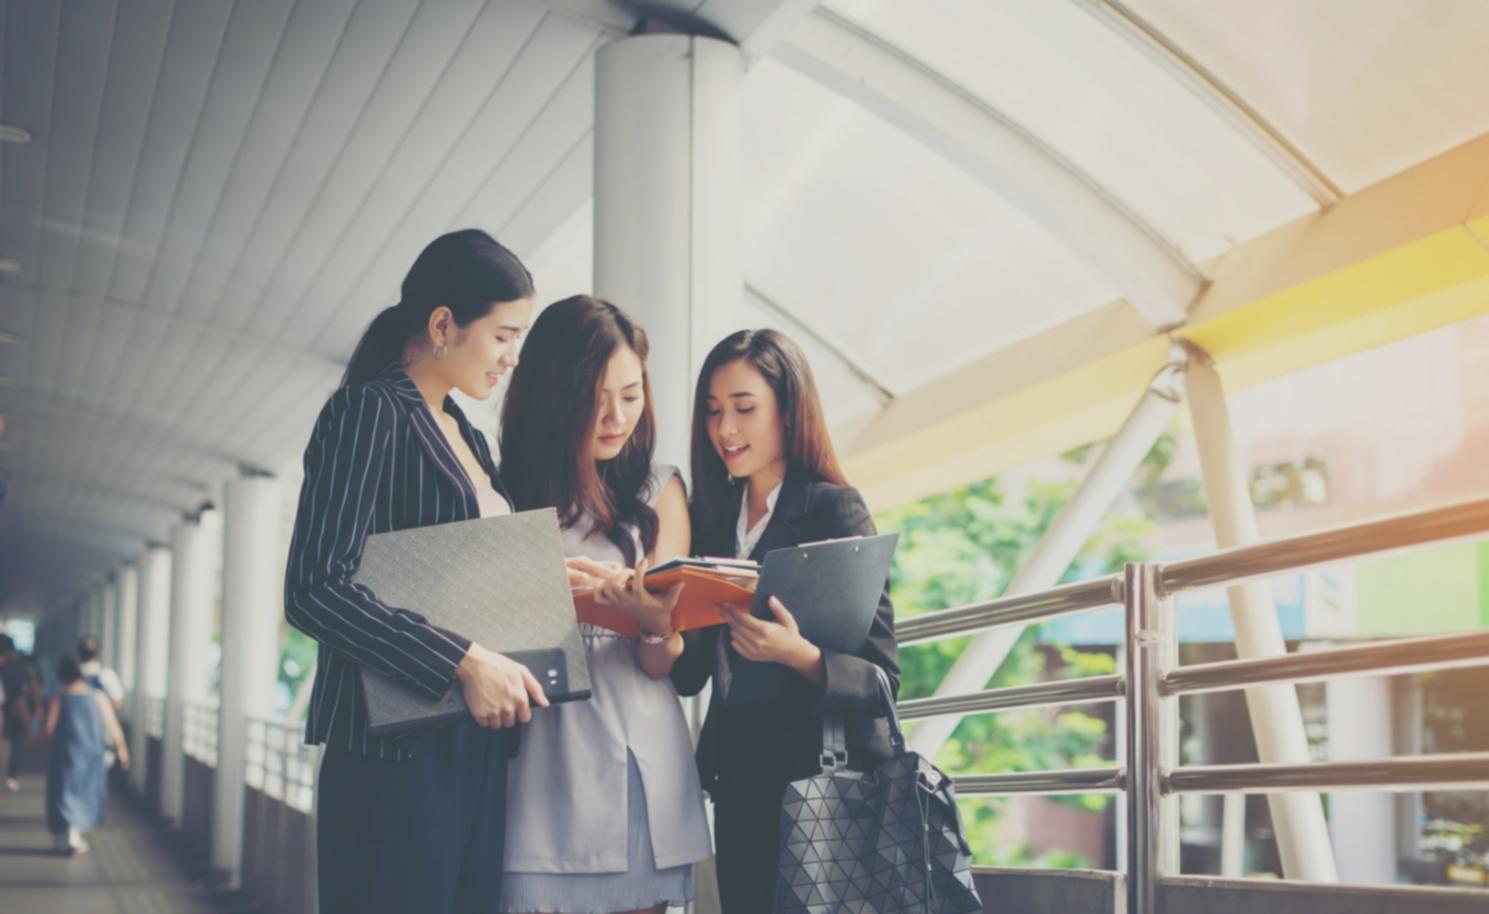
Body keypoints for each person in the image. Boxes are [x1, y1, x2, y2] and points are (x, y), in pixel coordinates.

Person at [284, 230, 608, 914]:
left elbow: (451, 572)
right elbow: (316, 588)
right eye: (503, 336)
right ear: (441, 325)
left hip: (474, 743)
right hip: (393, 755)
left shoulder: (466, 431)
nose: (514, 357)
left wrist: (543, 576)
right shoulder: (368, 412)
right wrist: (461, 659)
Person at [671, 329, 900, 914]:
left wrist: (797, 655)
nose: (725, 429)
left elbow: (882, 679)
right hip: (738, 787)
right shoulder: (709, 520)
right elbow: (689, 675)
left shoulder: (832, 509)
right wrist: (657, 621)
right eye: (713, 411)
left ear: (789, 412)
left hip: (818, 787)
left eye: (744, 408)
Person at [496, 295, 711, 914]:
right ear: (553, 398)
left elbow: (660, 662)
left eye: (631, 394)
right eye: (595, 400)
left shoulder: (659, 488)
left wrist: (654, 626)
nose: (617, 417)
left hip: (637, 750)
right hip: (539, 753)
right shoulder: (502, 490)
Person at [45, 655, 128, 854]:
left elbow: (49, 728)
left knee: (64, 792)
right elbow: (112, 725)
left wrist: (41, 744)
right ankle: (76, 831)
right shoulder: (98, 696)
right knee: (86, 791)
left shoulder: (60, 697)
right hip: (92, 754)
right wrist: (122, 749)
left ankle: (68, 831)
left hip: (65, 753)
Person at [0, 634, 29, 791]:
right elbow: (20, 696)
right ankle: (12, 776)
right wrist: (26, 718)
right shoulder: (16, 667)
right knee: (14, 744)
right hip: (12, 712)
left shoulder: (10, 667)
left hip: (8, 711)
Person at [77, 635, 125, 712]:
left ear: (78, 653)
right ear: (99, 652)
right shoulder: (107, 675)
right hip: (100, 718)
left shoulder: (72, 677)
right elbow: (118, 703)